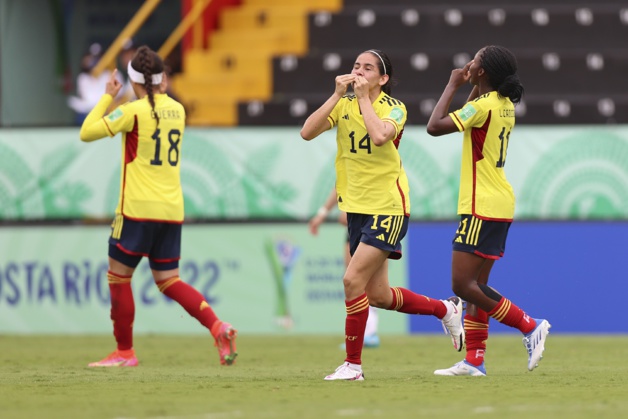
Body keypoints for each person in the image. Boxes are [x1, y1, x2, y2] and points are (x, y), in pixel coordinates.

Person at [300, 49, 464, 381]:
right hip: (356, 209)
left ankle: (353, 366)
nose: (358, 71)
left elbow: (379, 136)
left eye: (368, 67)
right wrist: (335, 95)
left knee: (351, 281)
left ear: (383, 78)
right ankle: (446, 309)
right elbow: (306, 132)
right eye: (356, 65)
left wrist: (361, 99)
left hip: (388, 207)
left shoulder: (394, 108)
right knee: (378, 296)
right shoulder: (343, 104)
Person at [80, 45, 237, 367]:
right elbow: (160, 100)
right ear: (162, 78)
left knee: (119, 278)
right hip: (171, 210)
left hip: (137, 209)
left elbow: (87, 132)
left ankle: (125, 353)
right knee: (169, 280)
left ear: (132, 81)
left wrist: (109, 96)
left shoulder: (131, 111)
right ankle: (218, 326)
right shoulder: (177, 110)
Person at [426, 45, 551, 376]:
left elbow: (434, 126)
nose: (469, 61)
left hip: (481, 205)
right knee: (477, 288)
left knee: (461, 285)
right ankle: (475, 361)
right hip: (498, 202)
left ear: (482, 71)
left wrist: (453, 83)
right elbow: (469, 116)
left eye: (476, 59)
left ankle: (529, 325)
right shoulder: (503, 103)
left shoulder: (484, 106)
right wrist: (472, 86)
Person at [309, 187, 380, 348]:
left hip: (376, 224)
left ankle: (368, 333)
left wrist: (351, 211)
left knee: (368, 285)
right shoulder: (346, 168)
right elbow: (338, 187)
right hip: (356, 228)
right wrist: (322, 213)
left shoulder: (369, 168)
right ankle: (366, 333)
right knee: (356, 282)